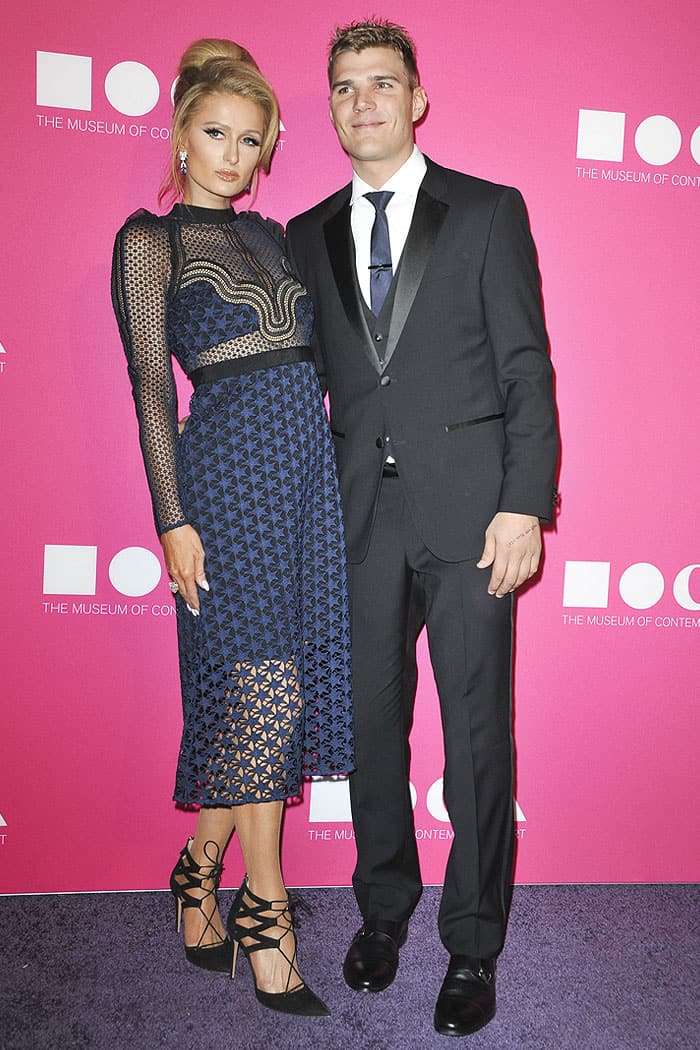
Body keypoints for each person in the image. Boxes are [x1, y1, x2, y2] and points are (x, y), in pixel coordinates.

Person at [286, 19, 559, 1037]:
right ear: (332, 106)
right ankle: (383, 911)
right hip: (358, 522)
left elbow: (525, 364)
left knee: (477, 738)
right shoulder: (305, 233)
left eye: (383, 83)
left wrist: (525, 501)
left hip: (473, 516)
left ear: (417, 99)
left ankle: (474, 943)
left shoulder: (487, 211)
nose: (364, 101)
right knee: (369, 733)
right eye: (346, 86)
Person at [111, 37, 353, 1018]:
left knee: (269, 704)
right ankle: (267, 912)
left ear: (266, 153)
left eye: (249, 141)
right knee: (266, 692)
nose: (229, 154)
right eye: (213, 133)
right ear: (178, 134)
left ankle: (193, 870)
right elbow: (148, 393)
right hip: (225, 485)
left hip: (306, 485)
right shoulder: (148, 241)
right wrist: (171, 518)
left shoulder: (281, 238)